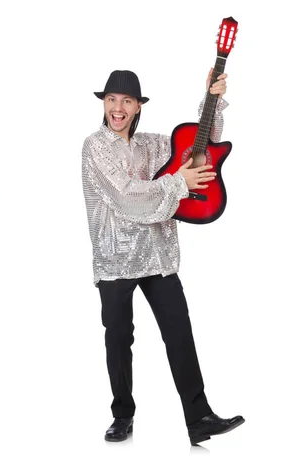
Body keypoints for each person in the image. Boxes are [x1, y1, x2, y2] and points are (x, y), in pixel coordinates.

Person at [81, 69, 244, 445]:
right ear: (103, 104)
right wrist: (177, 183)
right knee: (119, 338)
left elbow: (197, 148)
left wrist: (211, 99)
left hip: (157, 254)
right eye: (110, 100)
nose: (117, 108)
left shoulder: (153, 145)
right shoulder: (95, 146)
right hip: (115, 258)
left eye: (125, 101)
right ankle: (122, 415)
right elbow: (124, 196)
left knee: (179, 332)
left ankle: (199, 416)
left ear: (138, 107)